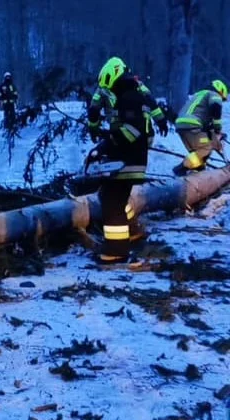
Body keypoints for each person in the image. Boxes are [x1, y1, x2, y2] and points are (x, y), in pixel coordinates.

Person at [87, 56, 168, 264]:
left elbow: (133, 130)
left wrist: (110, 140)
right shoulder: (128, 93)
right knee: (111, 197)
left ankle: (116, 251)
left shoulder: (129, 96)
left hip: (129, 158)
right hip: (128, 156)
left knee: (113, 203)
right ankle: (132, 231)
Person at [173, 80, 228, 176]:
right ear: (221, 91)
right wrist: (218, 129)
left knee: (198, 154)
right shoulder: (214, 94)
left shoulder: (198, 95)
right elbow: (216, 108)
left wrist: (212, 132)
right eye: (222, 98)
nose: (221, 100)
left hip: (181, 124)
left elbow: (202, 116)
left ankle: (198, 173)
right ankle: (181, 168)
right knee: (206, 148)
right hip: (192, 124)